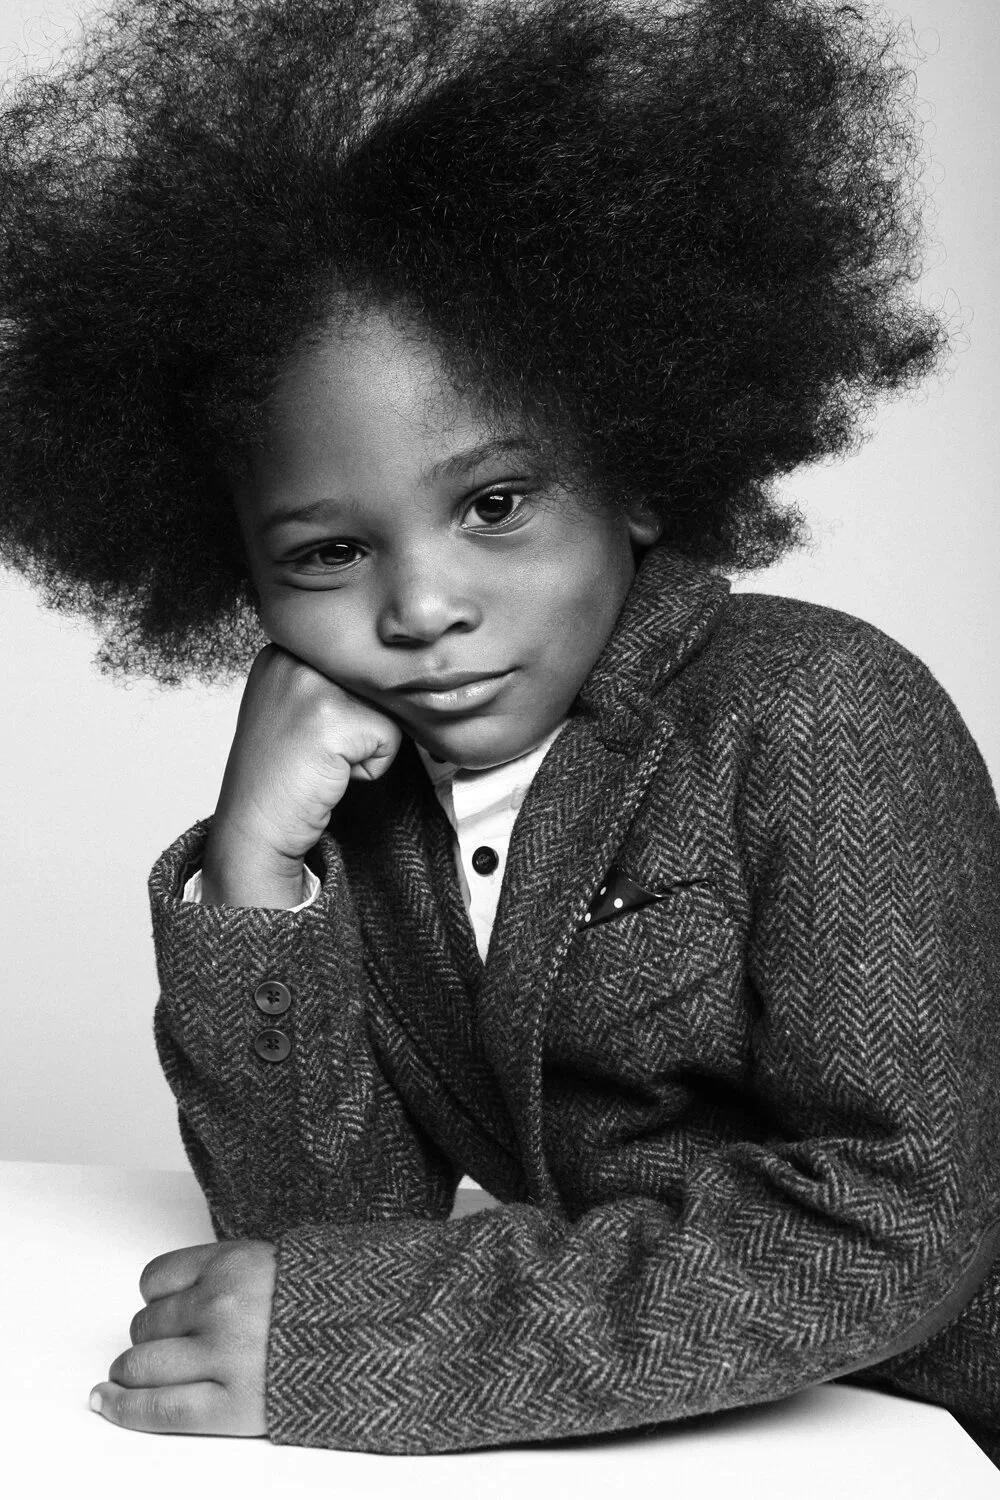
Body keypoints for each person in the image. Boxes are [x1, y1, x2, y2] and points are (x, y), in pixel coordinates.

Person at [1, 0, 998, 1463]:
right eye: (328, 552)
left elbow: (899, 1216)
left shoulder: (819, 717)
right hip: (727, 1443)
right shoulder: (373, 806)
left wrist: (382, 1345)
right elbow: (318, 1234)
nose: (421, 606)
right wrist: (256, 864)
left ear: (638, 472)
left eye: (493, 504)